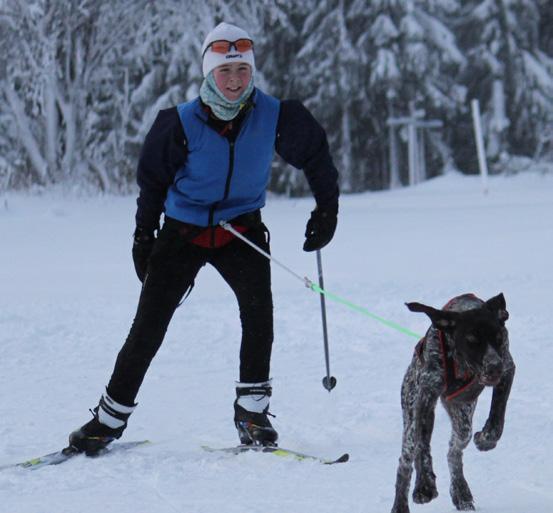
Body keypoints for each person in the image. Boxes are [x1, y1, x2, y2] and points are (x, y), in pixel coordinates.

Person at [68, 21, 339, 454]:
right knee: (148, 327)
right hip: (183, 232)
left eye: (242, 71)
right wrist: (143, 237)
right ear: (209, 73)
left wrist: (328, 208)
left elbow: (316, 156)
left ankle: (252, 413)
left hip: (241, 230)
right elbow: (152, 183)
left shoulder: (276, 115)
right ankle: (107, 420)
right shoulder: (178, 123)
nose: (234, 81)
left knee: (259, 316)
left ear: (252, 72)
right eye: (225, 72)